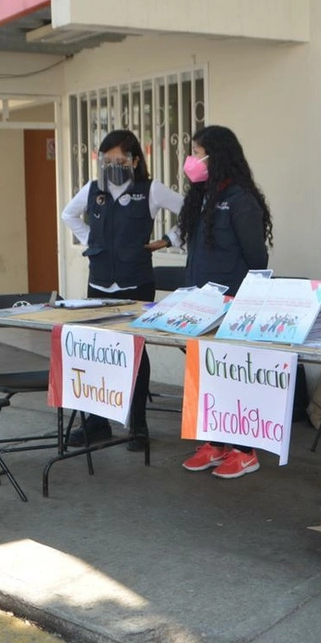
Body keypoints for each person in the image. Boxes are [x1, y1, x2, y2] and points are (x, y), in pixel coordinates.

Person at [61, 129, 184, 451]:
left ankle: (138, 425)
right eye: (107, 160)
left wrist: (168, 240)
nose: (113, 166)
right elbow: (68, 214)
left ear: (135, 161)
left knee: (134, 353)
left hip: (136, 283)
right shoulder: (93, 190)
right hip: (100, 283)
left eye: (120, 160)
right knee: (99, 351)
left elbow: (191, 212)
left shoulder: (150, 190)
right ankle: (97, 423)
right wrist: (91, 241)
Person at [176, 125, 273, 479]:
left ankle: (245, 451)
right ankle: (215, 444)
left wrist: (245, 303)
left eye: (197, 152)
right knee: (207, 379)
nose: (192, 160)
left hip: (232, 306)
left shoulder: (240, 199)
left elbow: (257, 258)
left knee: (234, 380)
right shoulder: (202, 196)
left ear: (216, 156)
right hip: (200, 305)